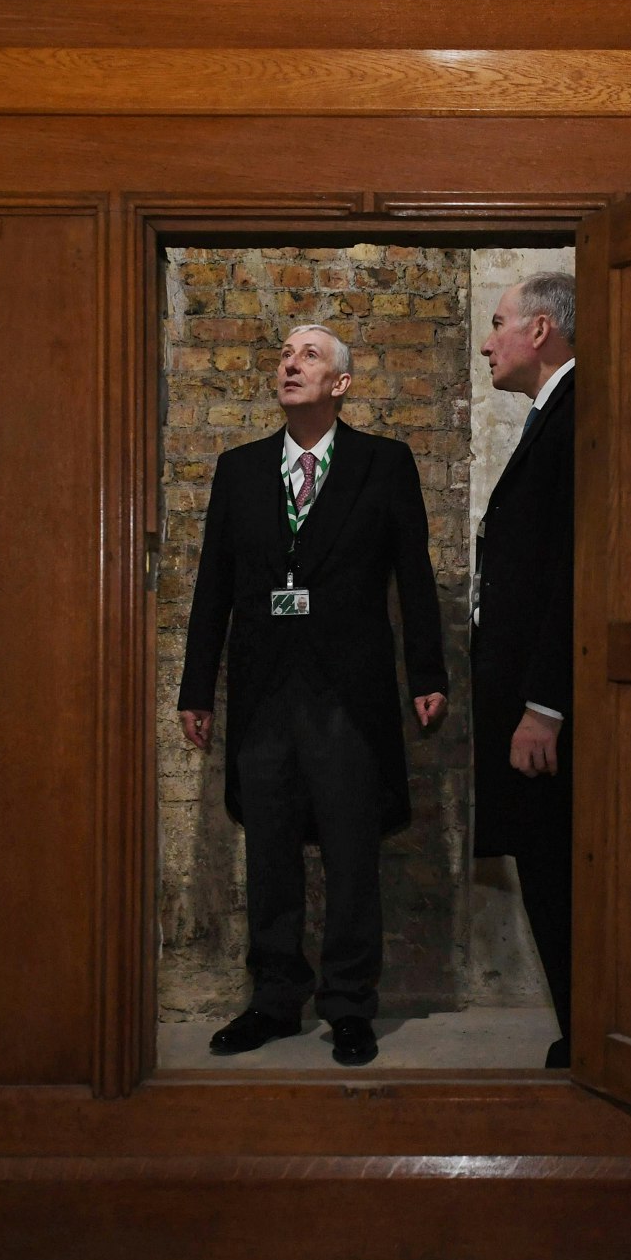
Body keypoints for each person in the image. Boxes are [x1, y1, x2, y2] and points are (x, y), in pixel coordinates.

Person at [178, 324, 448, 1067]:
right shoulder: (238, 470)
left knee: (352, 850)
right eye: (284, 355)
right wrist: (197, 686)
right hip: (265, 691)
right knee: (268, 849)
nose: (289, 364)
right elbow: (214, 588)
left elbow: (414, 578)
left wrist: (427, 673)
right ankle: (273, 998)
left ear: (340, 384)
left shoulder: (384, 465)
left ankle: (350, 1003)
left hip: (349, 692)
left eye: (309, 356)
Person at [473, 272, 577, 1069]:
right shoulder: (553, 414)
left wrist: (543, 705)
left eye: (500, 323)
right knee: (541, 863)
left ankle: (588, 1037)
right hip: (524, 694)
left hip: (546, 706)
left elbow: (572, 570)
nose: (487, 340)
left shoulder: (577, 415)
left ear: (540, 330)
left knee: (555, 865)